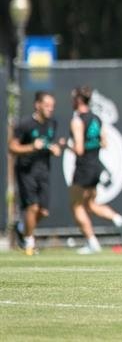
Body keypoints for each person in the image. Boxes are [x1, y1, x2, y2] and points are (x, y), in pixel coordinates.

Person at [68, 86, 122, 254]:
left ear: (79, 100)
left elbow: (79, 149)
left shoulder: (77, 120)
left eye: (74, 98)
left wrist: (66, 146)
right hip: (96, 166)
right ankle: (118, 219)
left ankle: (92, 242)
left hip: (83, 168)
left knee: (76, 206)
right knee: (90, 204)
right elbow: (104, 143)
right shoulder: (97, 118)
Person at [9, 91, 65, 255]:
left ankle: (22, 228)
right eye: (47, 105)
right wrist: (31, 147)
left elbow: (48, 144)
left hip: (44, 170)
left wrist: (55, 148)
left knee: (43, 211)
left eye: (52, 106)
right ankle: (29, 243)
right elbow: (12, 147)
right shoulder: (25, 124)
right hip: (26, 171)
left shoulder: (52, 123)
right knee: (32, 207)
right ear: (37, 105)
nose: (50, 109)